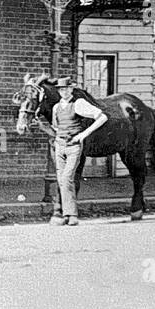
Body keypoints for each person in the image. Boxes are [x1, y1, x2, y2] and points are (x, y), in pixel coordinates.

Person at [48, 76, 108, 226]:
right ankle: (65, 215)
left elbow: (102, 117)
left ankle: (72, 214)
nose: (64, 92)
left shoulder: (79, 104)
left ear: (72, 89)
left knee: (67, 178)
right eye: (61, 89)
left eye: (67, 89)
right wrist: (44, 128)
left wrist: (83, 135)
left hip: (73, 147)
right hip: (60, 145)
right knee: (62, 180)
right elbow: (57, 128)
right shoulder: (56, 107)